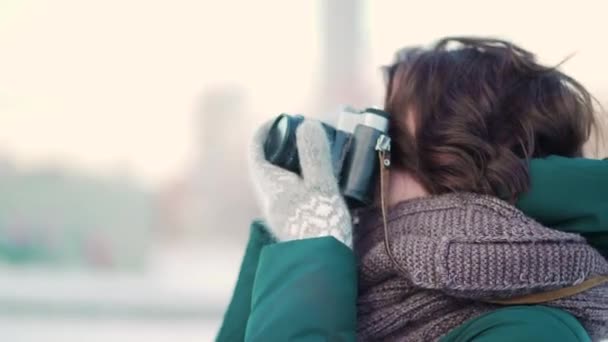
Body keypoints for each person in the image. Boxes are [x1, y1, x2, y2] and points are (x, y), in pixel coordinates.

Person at [216, 37, 608, 341]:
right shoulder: (367, 282)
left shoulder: (532, 331)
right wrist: (289, 239)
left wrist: (312, 251)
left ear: (455, 172)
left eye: (387, 140)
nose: (363, 162)